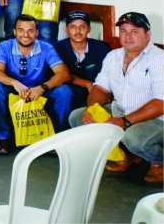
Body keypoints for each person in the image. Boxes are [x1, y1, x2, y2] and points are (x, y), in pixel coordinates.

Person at [69, 12, 163, 184]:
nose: (128, 36)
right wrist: (92, 108)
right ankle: (125, 155)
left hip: (155, 118)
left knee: (134, 138)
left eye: (134, 31)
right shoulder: (113, 56)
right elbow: (100, 88)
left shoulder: (159, 58)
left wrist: (125, 121)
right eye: (123, 31)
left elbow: (160, 103)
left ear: (147, 35)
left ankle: (159, 163)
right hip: (121, 112)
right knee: (78, 118)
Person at [0, 14, 72, 154]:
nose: (25, 35)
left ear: (37, 33)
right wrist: (14, 82)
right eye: (21, 30)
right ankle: (2, 138)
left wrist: (42, 87)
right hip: (14, 89)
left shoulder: (46, 47)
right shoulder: (4, 46)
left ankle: (56, 137)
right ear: (15, 32)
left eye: (31, 31)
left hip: (38, 90)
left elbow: (63, 73)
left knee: (64, 91)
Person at [54, 10, 112, 108]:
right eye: (73, 27)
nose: (78, 31)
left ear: (89, 29)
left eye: (82, 27)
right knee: (63, 92)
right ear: (67, 29)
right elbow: (57, 74)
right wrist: (85, 83)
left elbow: (110, 75)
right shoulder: (57, 48)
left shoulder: (102, 48)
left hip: (97, 93)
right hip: (70, 92)